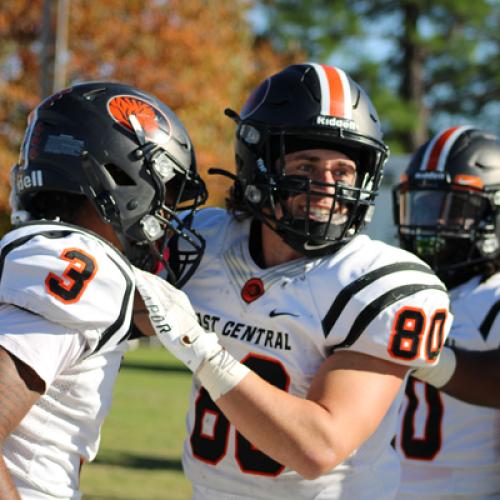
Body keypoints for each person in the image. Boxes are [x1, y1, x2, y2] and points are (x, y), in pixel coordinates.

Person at [135, 63, 452, 499]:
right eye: (306, 167)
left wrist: (198, 344)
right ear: (258, 166)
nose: (327, 187)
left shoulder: (383, 283)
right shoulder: (203, 240)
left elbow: (318, 448)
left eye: (343, 172)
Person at [0, 82, 207, 498]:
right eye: (163, 196)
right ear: (121, 180)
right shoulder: (83, 264)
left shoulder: (34, 249)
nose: (164, 221)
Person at [392, 126, 500, 498]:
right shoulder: (395, 287)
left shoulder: (494, 300)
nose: (431, 224)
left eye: (453, 210)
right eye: (424, 203)